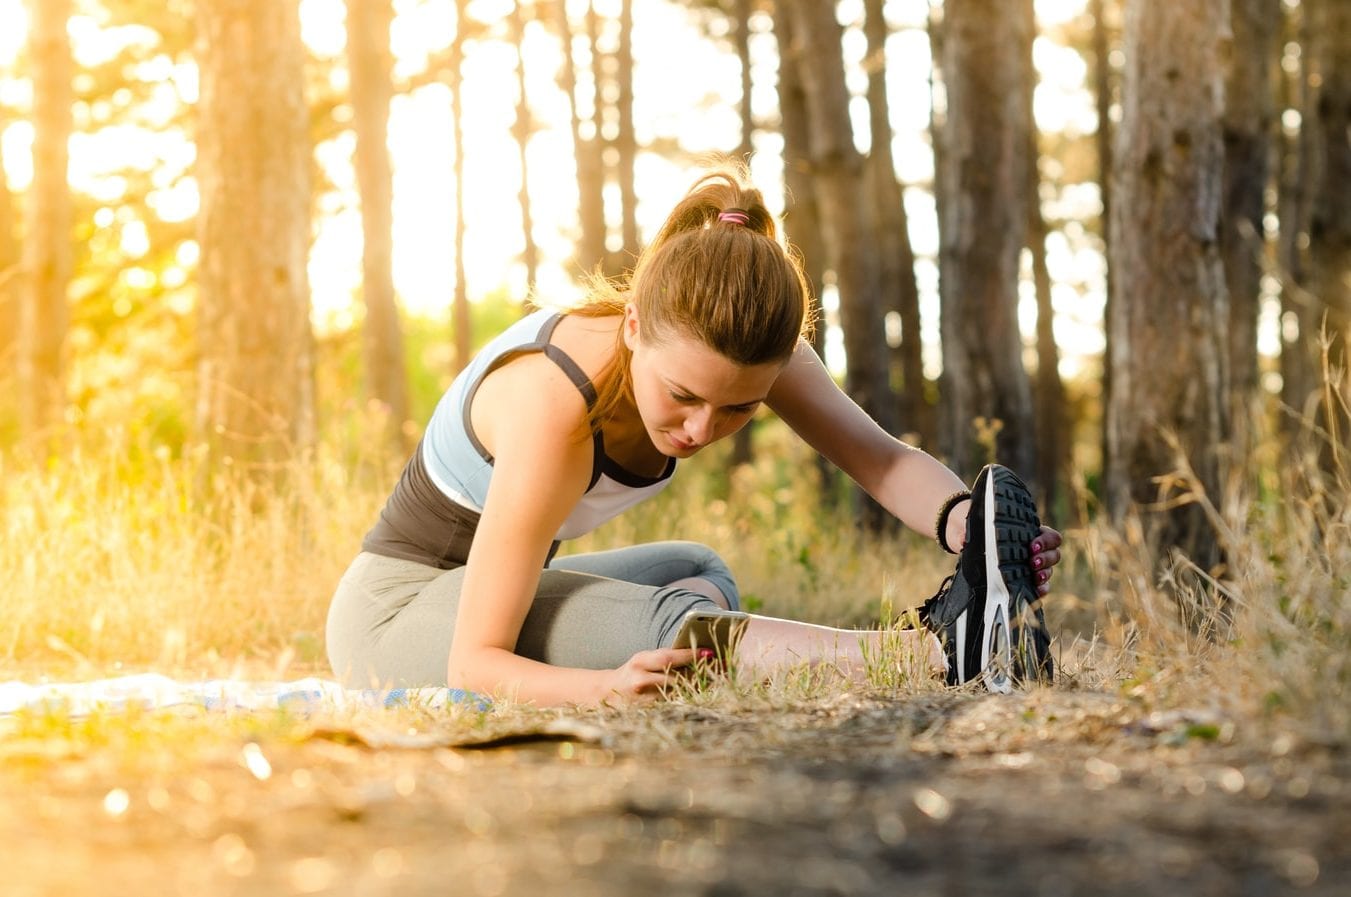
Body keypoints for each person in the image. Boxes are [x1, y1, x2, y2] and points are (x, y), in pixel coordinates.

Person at [325, 168, 1063, 705]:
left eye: (738, 409)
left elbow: (882, 460)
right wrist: (600, 685)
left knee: (697, 568)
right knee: (677, 627)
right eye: (681, 396)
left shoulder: (742, 347)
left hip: (484, 592)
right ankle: (935, 654)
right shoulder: (554, 403)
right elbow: (473, 662)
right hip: (393, 619)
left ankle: (968, 629)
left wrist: (969, 527)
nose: (702, 428)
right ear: (634, 326)